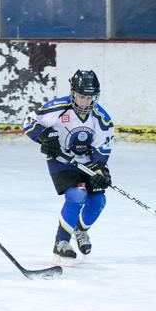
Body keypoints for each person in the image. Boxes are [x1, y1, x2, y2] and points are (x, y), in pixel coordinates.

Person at [23, 69, 114, 266]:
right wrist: (45, 136)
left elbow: (102, 147)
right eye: (81, 96)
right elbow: (29, 122)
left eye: (89, 97)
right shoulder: (57, 108)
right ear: (73, 93)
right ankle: (62, 241)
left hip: (87, 162)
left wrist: (99, 169)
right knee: (77, 194)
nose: (85, 102)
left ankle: (80, 230)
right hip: (61, 161)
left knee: (98, 200)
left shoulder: (101, 117)